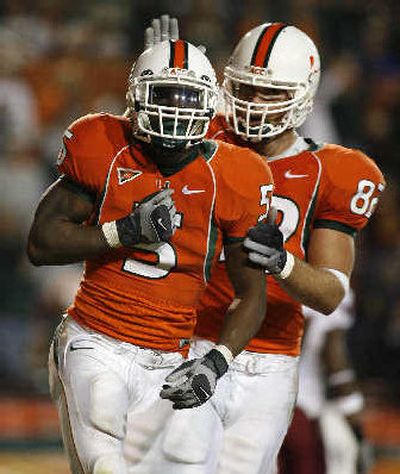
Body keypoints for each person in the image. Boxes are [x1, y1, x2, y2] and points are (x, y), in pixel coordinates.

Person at [143, 19, 385, 474]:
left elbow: (331, 293)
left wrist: (283, 262)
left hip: (265, 358)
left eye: (270, 92)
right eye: (247, 88)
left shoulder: (334, 171)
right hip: (181, 340)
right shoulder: (201, 139)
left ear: (304, 92)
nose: (254, 103)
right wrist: (163, 84)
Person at [26, 39, 274, 474]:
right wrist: (122, 232)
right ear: (135, 99)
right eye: (163, 96)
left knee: (193, 464)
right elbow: (41, 243)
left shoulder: (238, 176)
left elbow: (251, 294)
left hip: (174, 357)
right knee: (106, 461)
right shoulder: (104, 144)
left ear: (210, 104)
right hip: (96, 339)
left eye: (187, 99)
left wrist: (216, 363)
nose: (175, 112)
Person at [279, 289, 370, 474]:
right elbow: (334, 358)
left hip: (269, 400)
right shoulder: (334, 287)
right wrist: (355, 424)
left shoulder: (286, 279)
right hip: (301, 408)